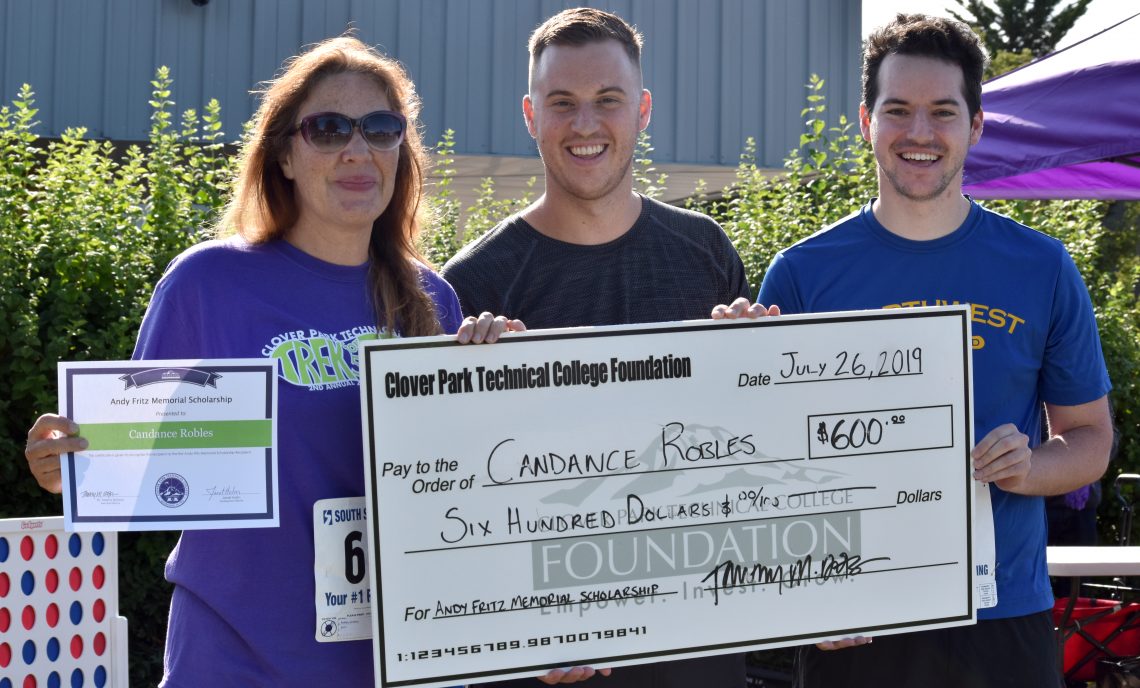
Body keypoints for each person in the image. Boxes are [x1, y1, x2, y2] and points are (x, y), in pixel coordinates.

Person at [24, 36, 519, 687]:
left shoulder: (436, 302)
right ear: (284, 154)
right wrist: (71, 469)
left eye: (379, 128)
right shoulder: (209, 283)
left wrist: (511, 391)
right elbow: (134, 459)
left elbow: (467, 488)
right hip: (232, 661)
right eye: (327, 128)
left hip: (389, 666)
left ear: (402, 151)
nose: (356, 148)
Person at [716, 13, 1114, 688]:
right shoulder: (801, 272)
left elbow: (1090, 439)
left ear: (977, 125)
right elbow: (760, 466)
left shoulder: (1042, 267)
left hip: (1003, 620)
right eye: (898, 110)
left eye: (943, 112)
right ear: (866, 121)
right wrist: (724, 370)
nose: (920, 134)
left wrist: (1028, 467)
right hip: (853, 621)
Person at [441, 8, 773, 687]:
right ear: (530, 115)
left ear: (642, 110)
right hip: (543, 653)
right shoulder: (471, 284)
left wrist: (760, 370)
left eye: (608, 101)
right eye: (562, 103)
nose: (585, 124)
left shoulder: (705, 251)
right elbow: (445, 501)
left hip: (695, 647)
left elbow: (760, 457)